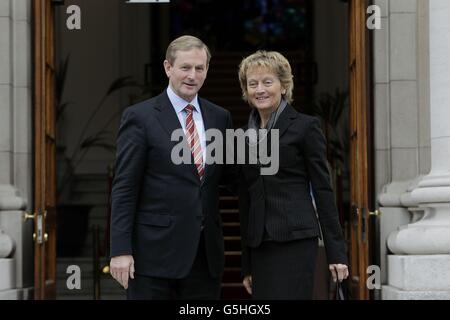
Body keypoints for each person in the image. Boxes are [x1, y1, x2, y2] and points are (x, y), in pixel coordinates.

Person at [109, 35, 233, 299]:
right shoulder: (140, 117)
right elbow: (125, 187)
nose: (192, 75)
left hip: (204, 257)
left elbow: (229, 179)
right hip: (153, 258)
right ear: (168, 68)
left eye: (200, 68)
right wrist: (120, 249)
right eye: (185, 67)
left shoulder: (220, 117)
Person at [237, 50, 349, 299]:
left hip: (295, 240)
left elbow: (322, 189)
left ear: (284, 86)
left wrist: (336, 253)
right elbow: (246, 198)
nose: (260, 90)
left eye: (268, 82)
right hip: (260, 245)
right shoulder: (243, 135)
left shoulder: (305, 127)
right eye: (252, 84)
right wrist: (246, 264)